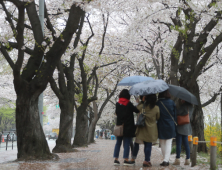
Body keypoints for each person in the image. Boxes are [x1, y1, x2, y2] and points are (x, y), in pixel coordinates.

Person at [131, 94, 160, 167]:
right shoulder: (156, 108)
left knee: (136, 143)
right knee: (148, 145)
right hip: (151, 129)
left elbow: (137, 107)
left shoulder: (143, 106)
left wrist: (142, 101)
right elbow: (158, 117)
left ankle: (133, 158)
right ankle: (146, 160)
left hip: (142, 128)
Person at [113, 89, 140, 166]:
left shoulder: (117, 104)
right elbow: (137, 111)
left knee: (118, 143)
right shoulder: (129, 104)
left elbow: (117, 113)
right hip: (128, 127)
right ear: (128, 96)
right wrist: (137, 103)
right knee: (127, 143)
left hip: (120, 127)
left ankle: (116, 159)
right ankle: (126, 159)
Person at [156, 90, 177, 166]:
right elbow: (175, 115)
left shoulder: (158, 103)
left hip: (161, 124)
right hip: (170, 124)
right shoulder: (172, 102)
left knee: (162, 143)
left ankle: (165, 159)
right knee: (169, 143)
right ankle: (166, 160)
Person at [173, 99, 194, 165]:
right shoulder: (191, 107)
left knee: (178, 144)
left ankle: (177, 159)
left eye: (182, 99)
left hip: (180, 127)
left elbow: (177, 113)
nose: (181, 100)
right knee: (186, 144)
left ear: (185, 100)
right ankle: (187, 159)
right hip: (187, 128)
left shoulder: (183, 106)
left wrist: (176, 107)